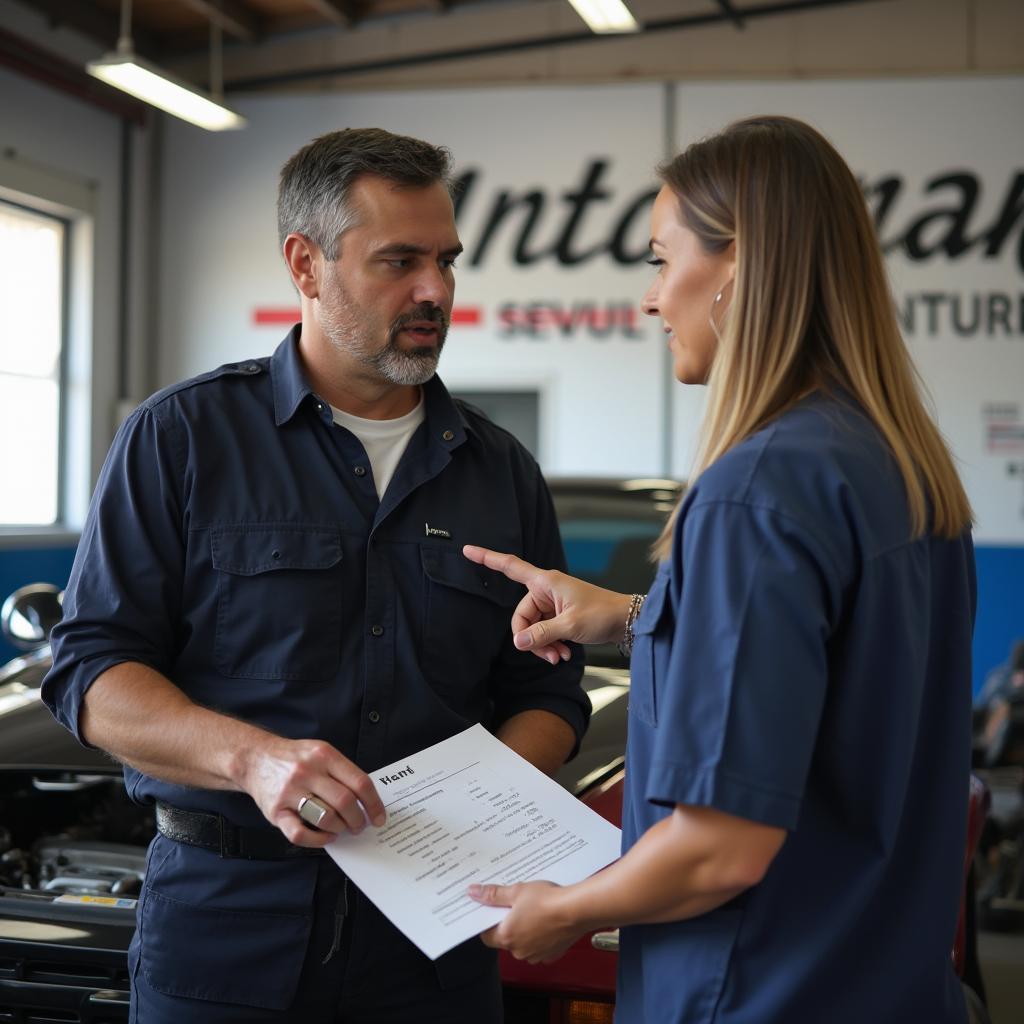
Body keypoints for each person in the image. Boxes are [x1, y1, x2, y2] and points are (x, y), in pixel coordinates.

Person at [41, 127, 589, 1024]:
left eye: (447, 262)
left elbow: (548, 692)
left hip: (438, 947)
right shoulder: (181, 439)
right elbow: (92, 673)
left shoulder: (501, 472)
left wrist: (479, 804)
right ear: (305, 264)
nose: (436, 292)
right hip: (226, 937)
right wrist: (254, 761)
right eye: (399, 261)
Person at [463, 115, 977, 1023]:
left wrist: (566, 911)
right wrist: (628, 616)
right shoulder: (897, 464)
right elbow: (835, 677)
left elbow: (720, 850)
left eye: (662, 260)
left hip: (756, 992)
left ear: (735, 270)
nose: (653, 299)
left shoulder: (755, 489)